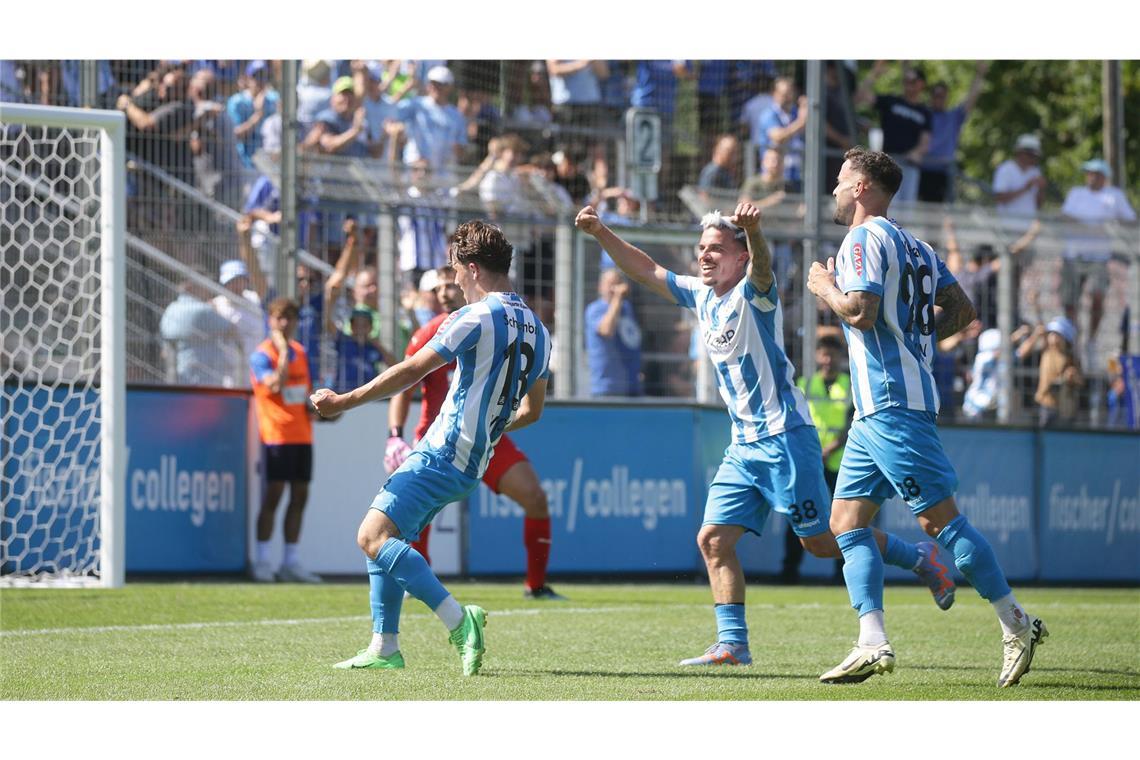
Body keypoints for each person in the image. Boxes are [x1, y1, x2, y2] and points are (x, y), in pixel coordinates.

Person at [577, 200, 955, 668]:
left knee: (820, 543)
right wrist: (601, 233)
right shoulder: (700, 295)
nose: (705, 256)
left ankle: (919, 557)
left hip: (785, 439)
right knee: (712, 540)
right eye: (701, 249)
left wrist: (755, 233)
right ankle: (733, 644)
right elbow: (647, 269)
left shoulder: (757, 293)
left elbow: (763, 270)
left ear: (740, 256)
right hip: (743, 447)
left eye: (716, 248)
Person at [806, 147, 1047, 686]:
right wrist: (914, 337)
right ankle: (871, 641)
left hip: (892, 403)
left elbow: (860, 314)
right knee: (845, 524)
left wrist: (823, 285)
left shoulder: (861, 240)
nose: (835, 190)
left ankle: (1017, 622)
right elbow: (963, 311)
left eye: (842, 180)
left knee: (939, 522)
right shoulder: (916, 244)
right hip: (875, 412)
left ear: (864, 187)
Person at [311, 220, 552, 674]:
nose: (455, 281)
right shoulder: (539, 331)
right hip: (472, 462)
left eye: (456, 270)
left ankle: (460, 622)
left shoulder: (475, 317)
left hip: (442, 450)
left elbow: (411, 370)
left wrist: (344, 400)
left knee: (370, 536)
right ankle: (385, 646)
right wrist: (491, 428)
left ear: (474, 269)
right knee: (387, 536)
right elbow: (532, 411)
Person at [385, 266, 565, 599]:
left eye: (449, 284)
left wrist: (493, 425)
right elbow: (404, 384)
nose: (445, 292)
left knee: (536, 498)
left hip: (487, 436)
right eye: (437, 289)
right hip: (438, 437)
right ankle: (416, 579)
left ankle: (536, 586)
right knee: (417, 514)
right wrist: (395, 434)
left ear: (469, 279)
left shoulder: (493, 324)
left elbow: (530, 406)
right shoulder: (430, 332)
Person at [249, 298, 320, 583]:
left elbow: (303, 394)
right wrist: (280, 351)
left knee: (300, 496)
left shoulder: (300, 352)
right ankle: (262, 560)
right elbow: (276, 384)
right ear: (270, 321)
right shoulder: (262, 355)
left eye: (290, 318)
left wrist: (318, 410)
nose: (285, 324)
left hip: (302, 435)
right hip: (275, 435)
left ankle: (291, 561)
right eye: (280, 318)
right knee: (273, 496)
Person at [788, 333, 852, 582]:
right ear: (817, 356)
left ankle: (842, 574)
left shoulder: (849, 384)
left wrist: (830, 449)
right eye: (824, 354)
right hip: (811, 462)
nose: (827, 360)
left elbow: (851, 422)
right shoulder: (804, 384)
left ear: (840, 358)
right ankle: (789, 573)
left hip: (840, 463)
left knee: (844, 521)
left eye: (832, 355)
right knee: (800, 517)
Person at [1059, 158, 1137, 359]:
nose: (1091, 177)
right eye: (1089, 173)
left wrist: (1111, 226)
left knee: (1097, 297)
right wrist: (1093, 228)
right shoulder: (1076, 193)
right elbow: (1066, 217)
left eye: (1096, 174)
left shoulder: (1114, 196)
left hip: (1098, 258)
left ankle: (1091, 341)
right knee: (1070, 302)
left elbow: (1130, 219)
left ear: (1104, 177)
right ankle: (1074, 339)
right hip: (1073, 255)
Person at [854, 63, 931, 204]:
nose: (908, 84)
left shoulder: (924, 112)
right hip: (888, 164)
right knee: (889, 207)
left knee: (908, 211)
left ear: (921, 84)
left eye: (913, 81)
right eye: (906, 81)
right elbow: (859, 97)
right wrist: (875, 73)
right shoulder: (891, 101)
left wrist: (916, 152)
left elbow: (925, 142)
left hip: (910, 166)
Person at [919, 61, 989, 203]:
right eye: (936, 95)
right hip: (921, 169)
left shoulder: (953, 117)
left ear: (946, 97)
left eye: (942, 96)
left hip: (944, 173)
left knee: (938, 215)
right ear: (931, 96)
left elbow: (972, 98)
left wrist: (980, 73)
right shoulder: (922, 115)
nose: (939, 98)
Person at [585, 269, 643, 397]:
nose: (614, 289)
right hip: (607, 386)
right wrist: (617, 298)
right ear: (600, 287)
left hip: (631, 385)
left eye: (617, 284)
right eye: (609, 284)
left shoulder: (627, 308)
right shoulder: (595, 309)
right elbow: (607, 330)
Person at [1035, 316, 1083, 428]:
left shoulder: (1071, 359)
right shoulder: (1047, 351)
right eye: (1051, 334)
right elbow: (1041, 327)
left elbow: (1080, 381)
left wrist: (1072, 377)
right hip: (1045, 403)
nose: (1053, 338)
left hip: (1061, 406)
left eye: (1057, 335)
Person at [992, 134, 1046, 231]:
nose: (1033, 158)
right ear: (1020, 153)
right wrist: (1026, 188)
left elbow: (1038, 205)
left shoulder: (1035, 172)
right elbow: (1000, 198)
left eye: (1035, 155)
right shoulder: (1006, 169)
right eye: (1030, 155)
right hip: (1007, 226)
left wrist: (1041, 189)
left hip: (1028, 229)